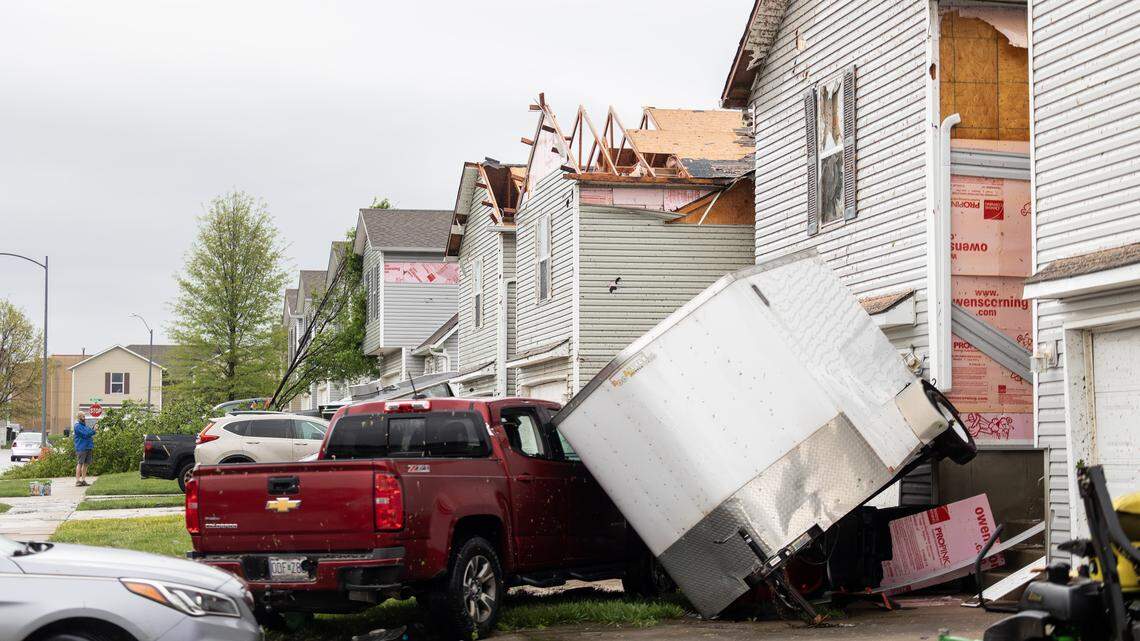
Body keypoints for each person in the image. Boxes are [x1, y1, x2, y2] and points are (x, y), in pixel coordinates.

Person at [72, 412, 95, 487]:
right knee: (80, 463)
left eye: (84, 416)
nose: (84, 417)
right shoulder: (77, 426)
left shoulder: (85, 426)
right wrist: (93, 430)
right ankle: (78, 481)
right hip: (81, 447)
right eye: (82, 416)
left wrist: (92, 430)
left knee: (86, 464)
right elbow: (86, 434)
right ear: (79, 417)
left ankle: (83, 480)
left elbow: (89, 432)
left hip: (88, 447)